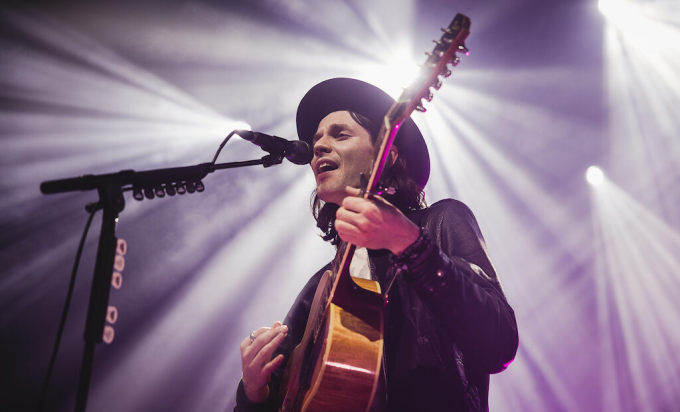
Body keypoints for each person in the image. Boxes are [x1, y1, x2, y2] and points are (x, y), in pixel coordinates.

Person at [235, 78, 518, 412]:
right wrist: (254, 392)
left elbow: (499, 343)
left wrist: (411, 246)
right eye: (316, 141)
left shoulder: (440, 222)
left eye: (339, 134)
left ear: (387, 156)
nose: (319, 147)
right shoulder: (319, 288)